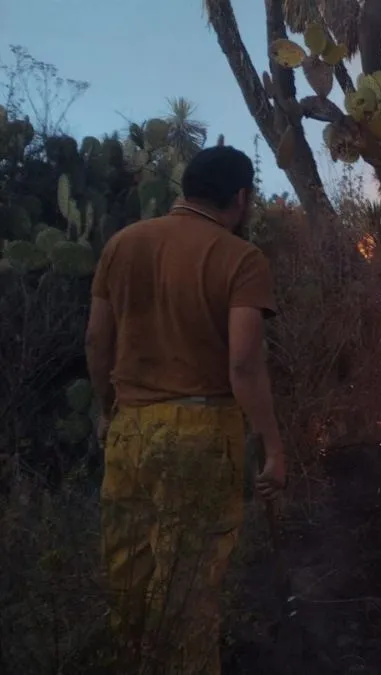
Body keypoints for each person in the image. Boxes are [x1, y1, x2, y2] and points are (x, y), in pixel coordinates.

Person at [85, 145, 287, 674]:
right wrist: (272, 445)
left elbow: (95, 342)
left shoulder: (121, 244)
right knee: (187, 589)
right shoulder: (241, 258)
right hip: (199, 432)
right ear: (240, 198)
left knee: (127, 578)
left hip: (128, 426)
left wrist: (107, 410)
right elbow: (243, 365)